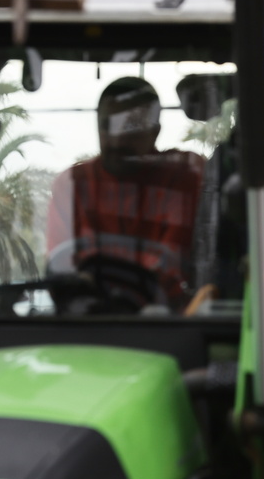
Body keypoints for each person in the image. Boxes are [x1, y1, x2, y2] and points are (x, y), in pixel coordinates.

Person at [46, 76, 205, 311]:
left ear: (155, 131)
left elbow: (174, 277)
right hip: (86, 324)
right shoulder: (72, 185)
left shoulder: (183, 179)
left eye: (131, 126)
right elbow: (61, 272)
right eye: (106, 126)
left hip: (167, 327)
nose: (116, 139)